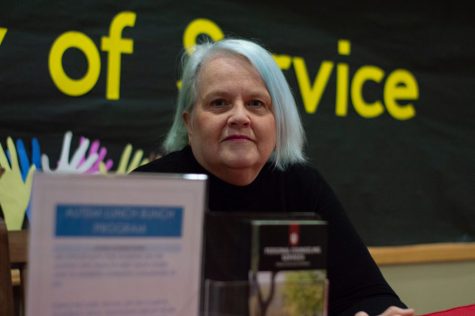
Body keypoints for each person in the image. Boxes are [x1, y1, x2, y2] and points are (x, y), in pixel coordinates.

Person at [134, 38, 415, 316]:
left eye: (256, 103)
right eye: (219, 103)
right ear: (189, 123)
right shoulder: (148, 191)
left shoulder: (302, 185)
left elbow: (369, 294)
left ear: (277, 121)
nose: (240, 117)